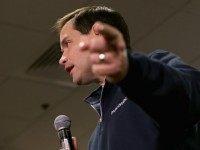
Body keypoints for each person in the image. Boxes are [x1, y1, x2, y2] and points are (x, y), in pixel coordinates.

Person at [54, 6, 200, 150]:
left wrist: (131, 69)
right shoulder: (95, 140)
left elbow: (191, 95)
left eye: (67, 44)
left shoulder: (152, 68)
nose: (62, 59)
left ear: (97, 35)